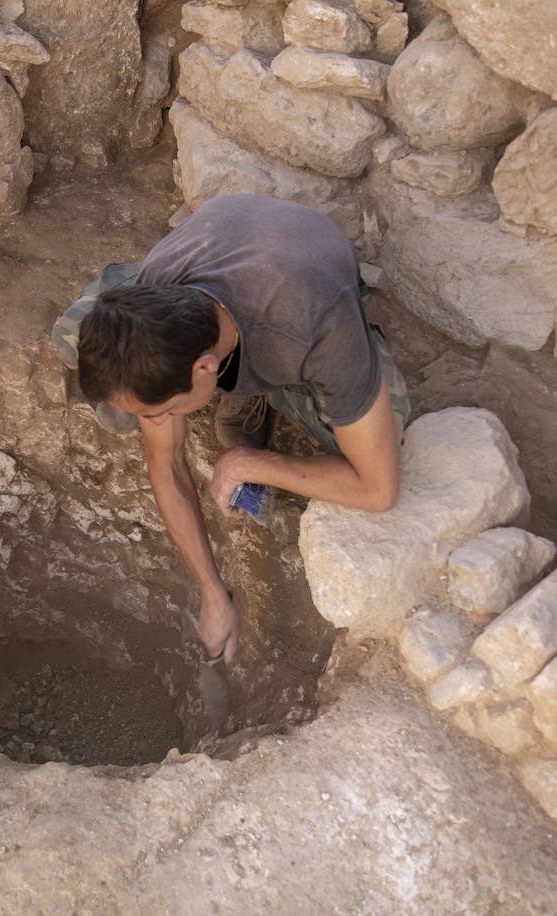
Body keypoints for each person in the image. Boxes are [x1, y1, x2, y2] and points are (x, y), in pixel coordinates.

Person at [50, 193, 409, 664]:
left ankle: (265, 392)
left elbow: (379, 490)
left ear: (204, 368)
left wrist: (248, 461)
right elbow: (166, 464)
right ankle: (230, 389)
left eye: (161, 411)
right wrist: (213, 594)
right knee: (72, 339)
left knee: (374, 435)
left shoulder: (315, 329)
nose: (153, 423)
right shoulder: (159, 292)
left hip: (308, 286)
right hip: (230, 249)